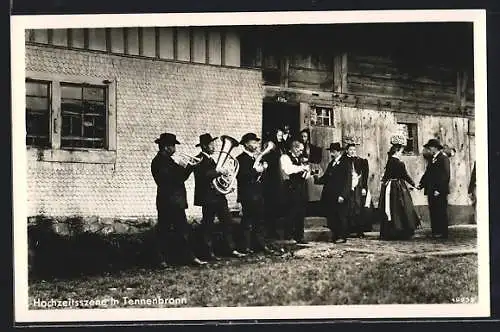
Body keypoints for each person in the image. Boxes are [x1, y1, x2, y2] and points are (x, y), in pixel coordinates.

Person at [151, 133, 207, 267]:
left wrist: (189, 166)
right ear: (165, 147)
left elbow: (181, 176)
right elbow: (172, 179)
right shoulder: (159, 162)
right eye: (172, 146)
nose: (175, 148)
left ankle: (188, 257)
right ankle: (161, 260)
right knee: (164, 231)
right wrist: (185, 167)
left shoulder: (169, 161)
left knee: (182, 230)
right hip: (168, 202)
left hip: (175, 202)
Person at [193, 133, 247, 260]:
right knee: (208, 225)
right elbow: (202, 176)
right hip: (208, 197)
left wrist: (227, 184)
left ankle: (230, 249)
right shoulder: (198, 159)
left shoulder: (212, 160)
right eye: (211, 144)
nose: (214, 146)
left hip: (219, 197)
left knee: (227, 222)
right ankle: (208, 252)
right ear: (204, 146)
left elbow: (217, 177)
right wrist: (218, 172)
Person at [236, 133, 274, 254]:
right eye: (253, 142)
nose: (256, 145)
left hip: (257, 193)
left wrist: (264, 169)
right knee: (247, 220)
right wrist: (255, 170)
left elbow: (261, 177)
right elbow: (241, 176)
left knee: (259, 220)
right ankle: (245, 246)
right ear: (246, 144)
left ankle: (259, 245)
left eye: (257, 142)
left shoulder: (256, 158)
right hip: (247, 193)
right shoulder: (240, 159)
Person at [378, 136, 421, 240]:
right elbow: (405, 175)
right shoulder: (399, 163)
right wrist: (414, 184)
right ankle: (401, 231)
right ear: (397, 150)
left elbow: (386, 176)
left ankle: (389, 231)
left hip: (389, 186)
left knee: (391, 208)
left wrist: (384, 180)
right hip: (397, 187)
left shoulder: (389, 161)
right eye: (401, 150)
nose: (402, 153)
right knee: (401, 207)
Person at [314, 142, 351, 243]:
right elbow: (326, 178)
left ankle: (342, 236)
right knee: (333, 216)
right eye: (331, 151)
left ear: (338, 152)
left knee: (341, 216)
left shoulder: (345, 163)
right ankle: (335, 235)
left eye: (333, 152)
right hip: (331, 195)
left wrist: (343, 195)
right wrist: (316, 179)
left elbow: (348, 181)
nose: (331, 154)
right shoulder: (331, 164)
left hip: (339, 195)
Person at [417, 138, 451, 239]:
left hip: (439, 191)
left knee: (441, 211)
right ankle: (436, 231)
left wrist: (439, 190)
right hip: (431, 190)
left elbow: (446, 176)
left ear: (435, 148)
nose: (429, 149)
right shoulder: (433, 159)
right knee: (433, 210)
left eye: (430, 147)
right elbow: (428, 174)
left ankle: (442, 232)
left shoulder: (443, 158)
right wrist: (421, 184)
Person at [280, 139, 311, 244]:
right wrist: (301, 168)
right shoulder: (285, 157)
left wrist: (306, 172)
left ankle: (299, 236)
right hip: (291, 188)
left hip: (301, 188)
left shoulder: (300, 159)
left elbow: (305, 175)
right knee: (291, 212)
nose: (301, 152)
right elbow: (288, 170)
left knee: (301, 212)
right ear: (294, 148)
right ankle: (288, 235)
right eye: (300, 150)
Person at [262, 128, 287, 240]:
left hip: (277, 178)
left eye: (282, 135)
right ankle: (269, 230)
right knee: (270, 205)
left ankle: (273, 230)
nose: (281, 137)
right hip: (270, 179)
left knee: (275, 205)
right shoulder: (270, 146)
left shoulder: (279, 147)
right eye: (279, 135)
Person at [343, 137, 369, 238]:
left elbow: (365, 176)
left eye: (354, 150)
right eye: (350, 150)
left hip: (358, 187)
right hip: (347, 187)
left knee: (359, 207)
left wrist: (364, 188)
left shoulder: (361, 161)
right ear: (347, 151)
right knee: (349, 207)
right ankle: (348, 229)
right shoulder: (344, 161)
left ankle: (360, 230)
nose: (353, 152)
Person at [299, 128, 323, 211]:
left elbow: (317, 159)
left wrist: (308, 160)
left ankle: (313, 207)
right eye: (302, 136)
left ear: (308, 138)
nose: (303, 138)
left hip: (311, 168)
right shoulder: (298, 147)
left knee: (312, 187)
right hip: (302, 168)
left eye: (305, 137)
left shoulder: (312, 148)